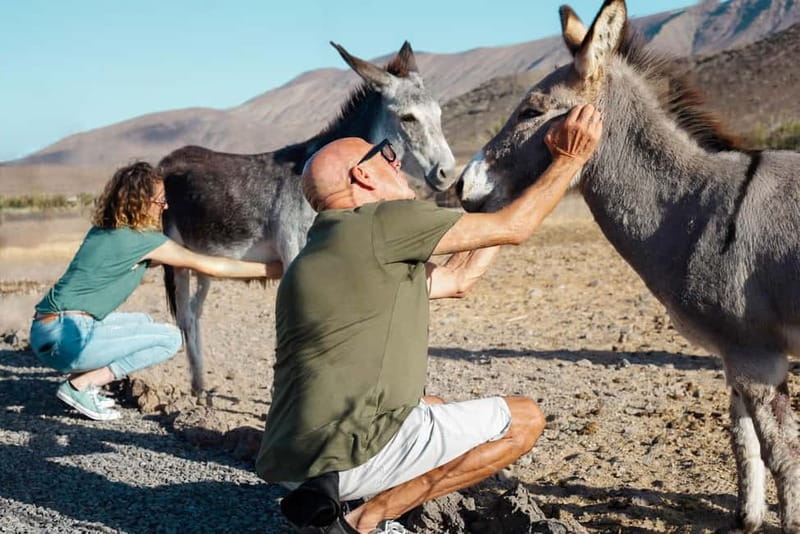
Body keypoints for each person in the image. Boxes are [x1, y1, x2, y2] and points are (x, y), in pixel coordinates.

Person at [256, 104, 602, 534]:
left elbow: (458, 278)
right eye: (384, 155)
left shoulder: (330, 250)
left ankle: (331, 499)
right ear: (362, 176)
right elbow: (517, 228)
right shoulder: (380, 221)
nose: (396, 161)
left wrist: (505, 192)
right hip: (346, 455)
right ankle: (365, 520)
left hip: (292, 460)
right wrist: (570, 159)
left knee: (433, 406)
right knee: (525, 418)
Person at [29, 161, 283, 421]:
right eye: (160, 201)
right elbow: (209, 265)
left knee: (143, 322)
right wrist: (274, 269)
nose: (166, 207)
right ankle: (80, 386)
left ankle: (79, 380)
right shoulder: (144, 241)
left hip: (46, 332)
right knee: (170, 339)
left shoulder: (104, 232)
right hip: (68, 340)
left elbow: (181, 259)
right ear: (140, 202)